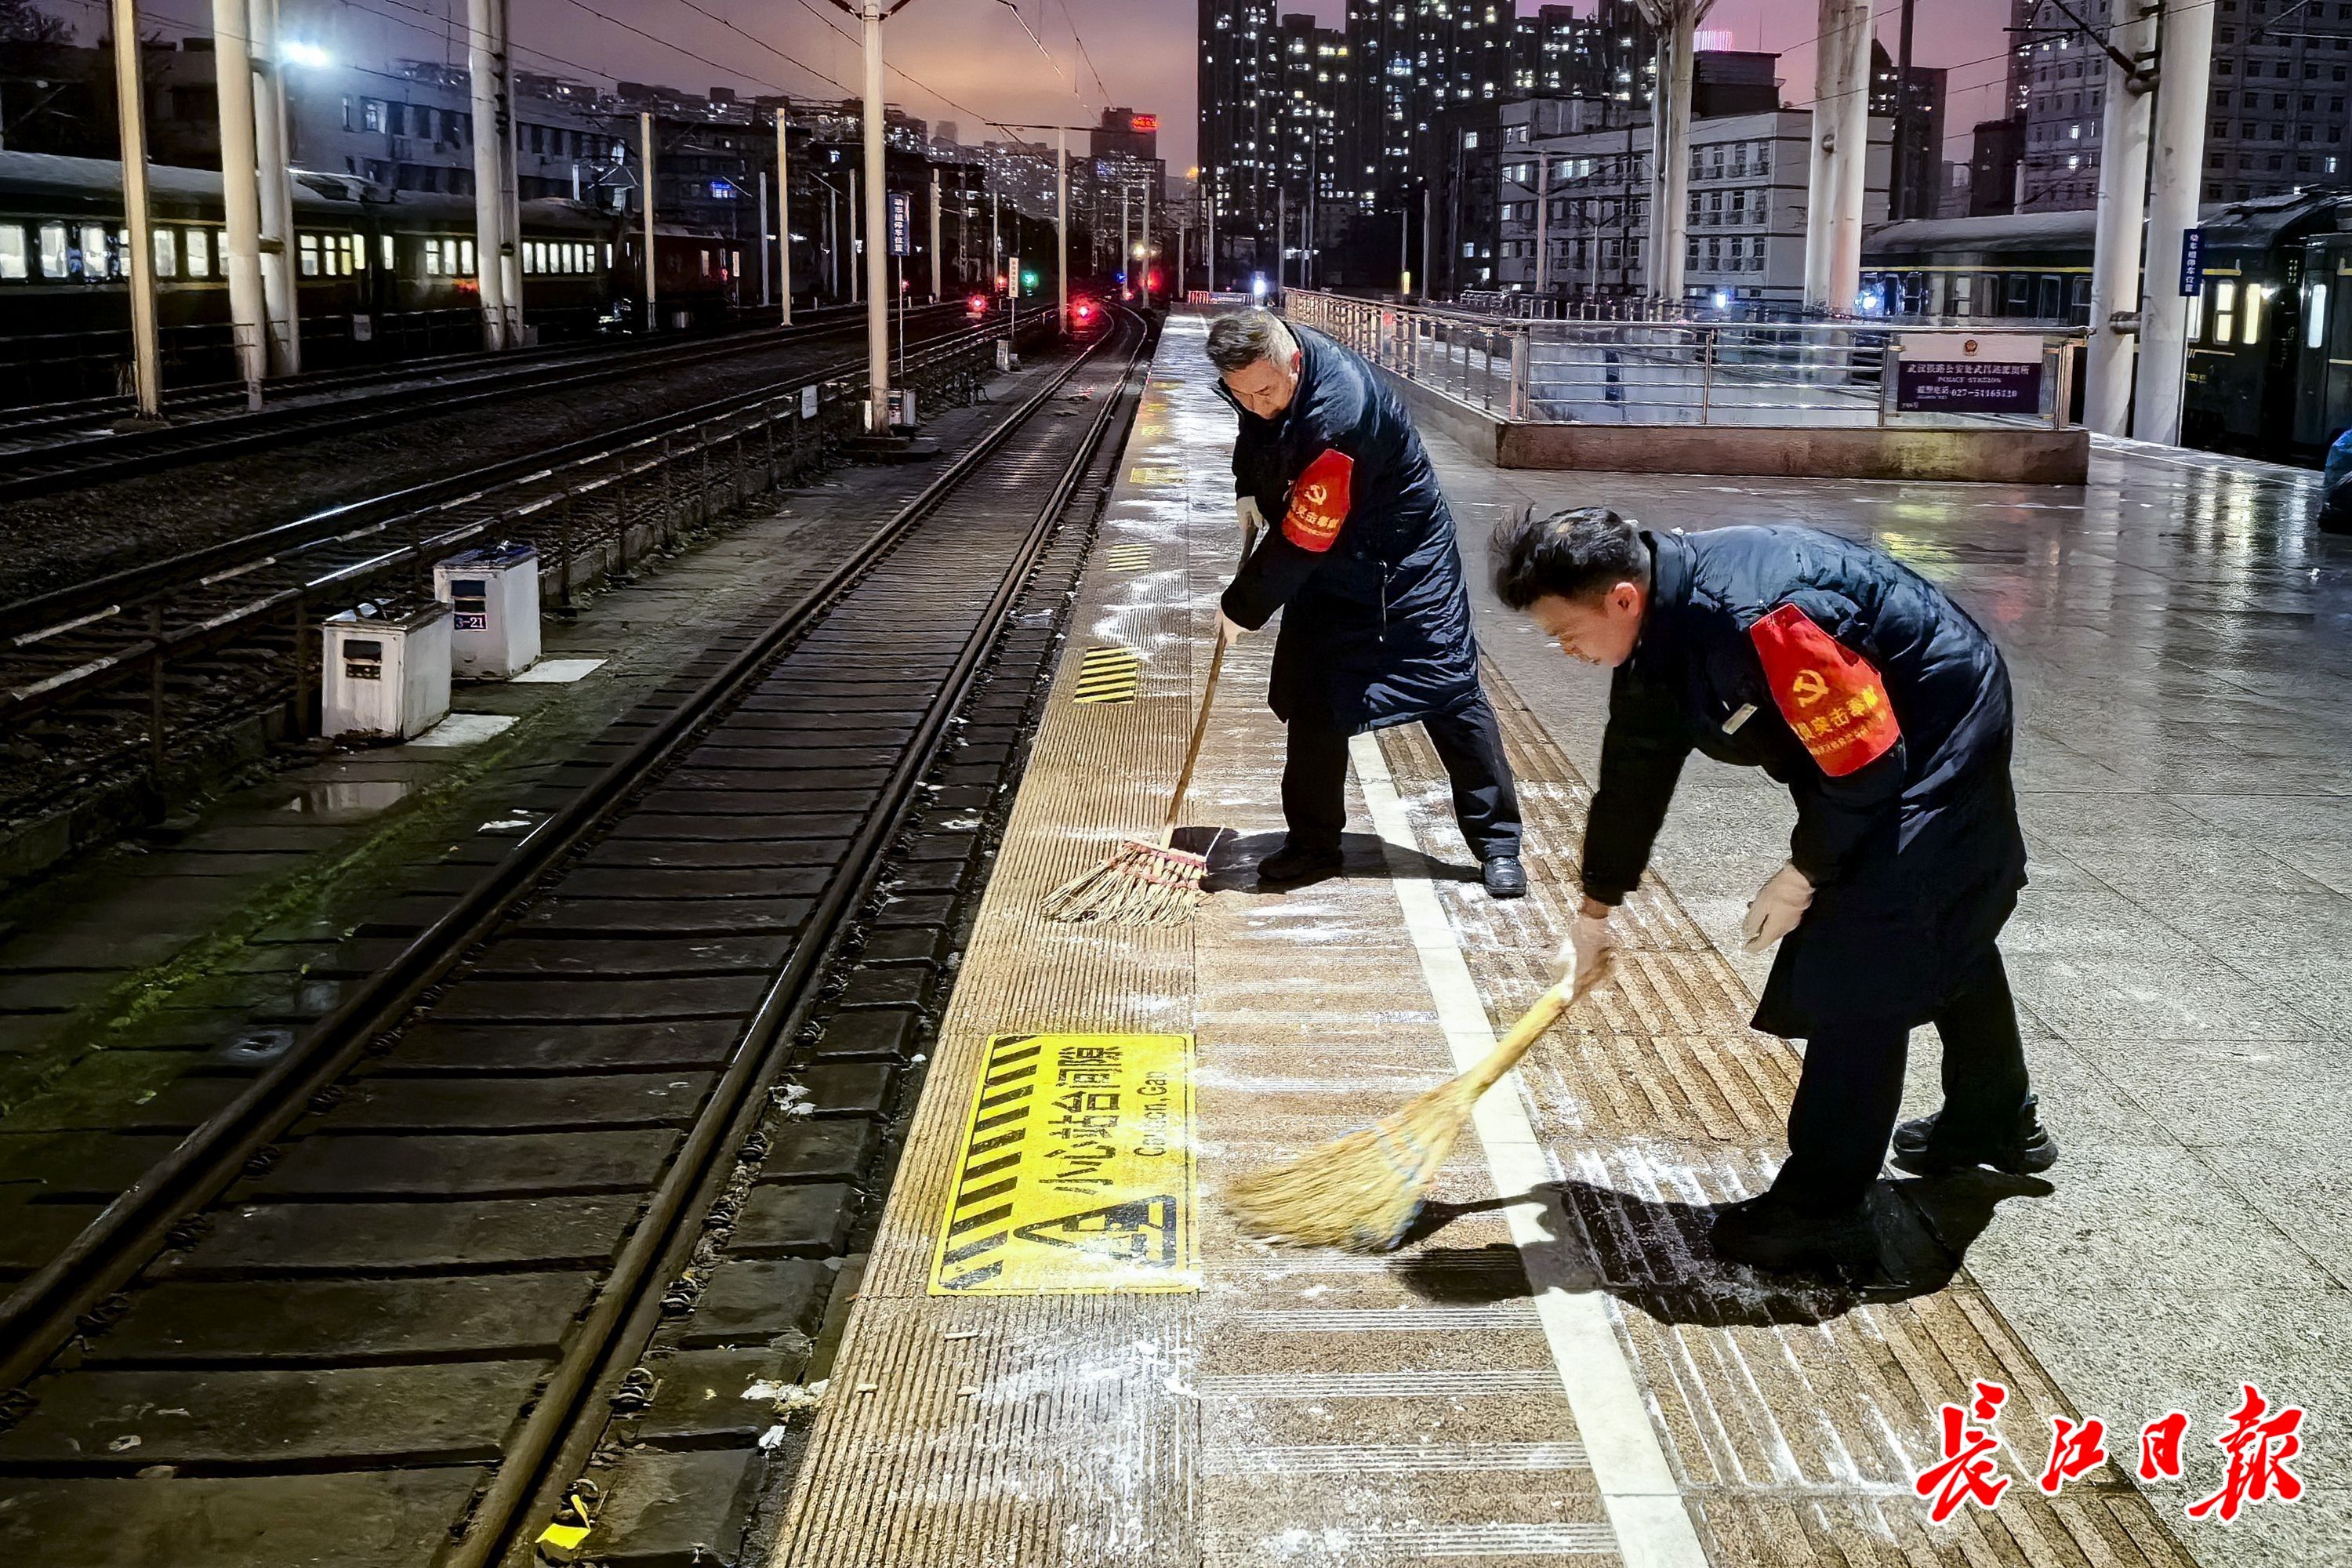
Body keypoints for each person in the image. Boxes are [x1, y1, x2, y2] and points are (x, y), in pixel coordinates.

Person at [1491, 506, 2056, 1271]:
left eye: (1566, 632)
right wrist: (1595, 910)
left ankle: (1823, 1209)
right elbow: (1634, 767)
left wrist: (1803, 871)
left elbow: (1868, 768)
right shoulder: (1659, 622)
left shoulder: (1765, 621)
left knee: (1865, 948)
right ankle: (1997, 1119)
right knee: (1934, 916)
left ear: (1622, 598)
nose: (1567, 651)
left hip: (1935, 725)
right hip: (1864, 742)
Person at [1206, 309, 1524, 898]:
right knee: (1314, 698)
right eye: (1240, 394)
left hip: (1404, 563)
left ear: (1293, 362)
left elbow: (1304, 536)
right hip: (1333, 569)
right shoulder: (1266, 378)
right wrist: (1248, 485)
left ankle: (1497, 843)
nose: (1257, 406)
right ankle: (1313, 843)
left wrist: (1243, 604)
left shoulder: (1342, 416)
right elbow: (1258, 434)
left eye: (1265, 392)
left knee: (1450, 691)